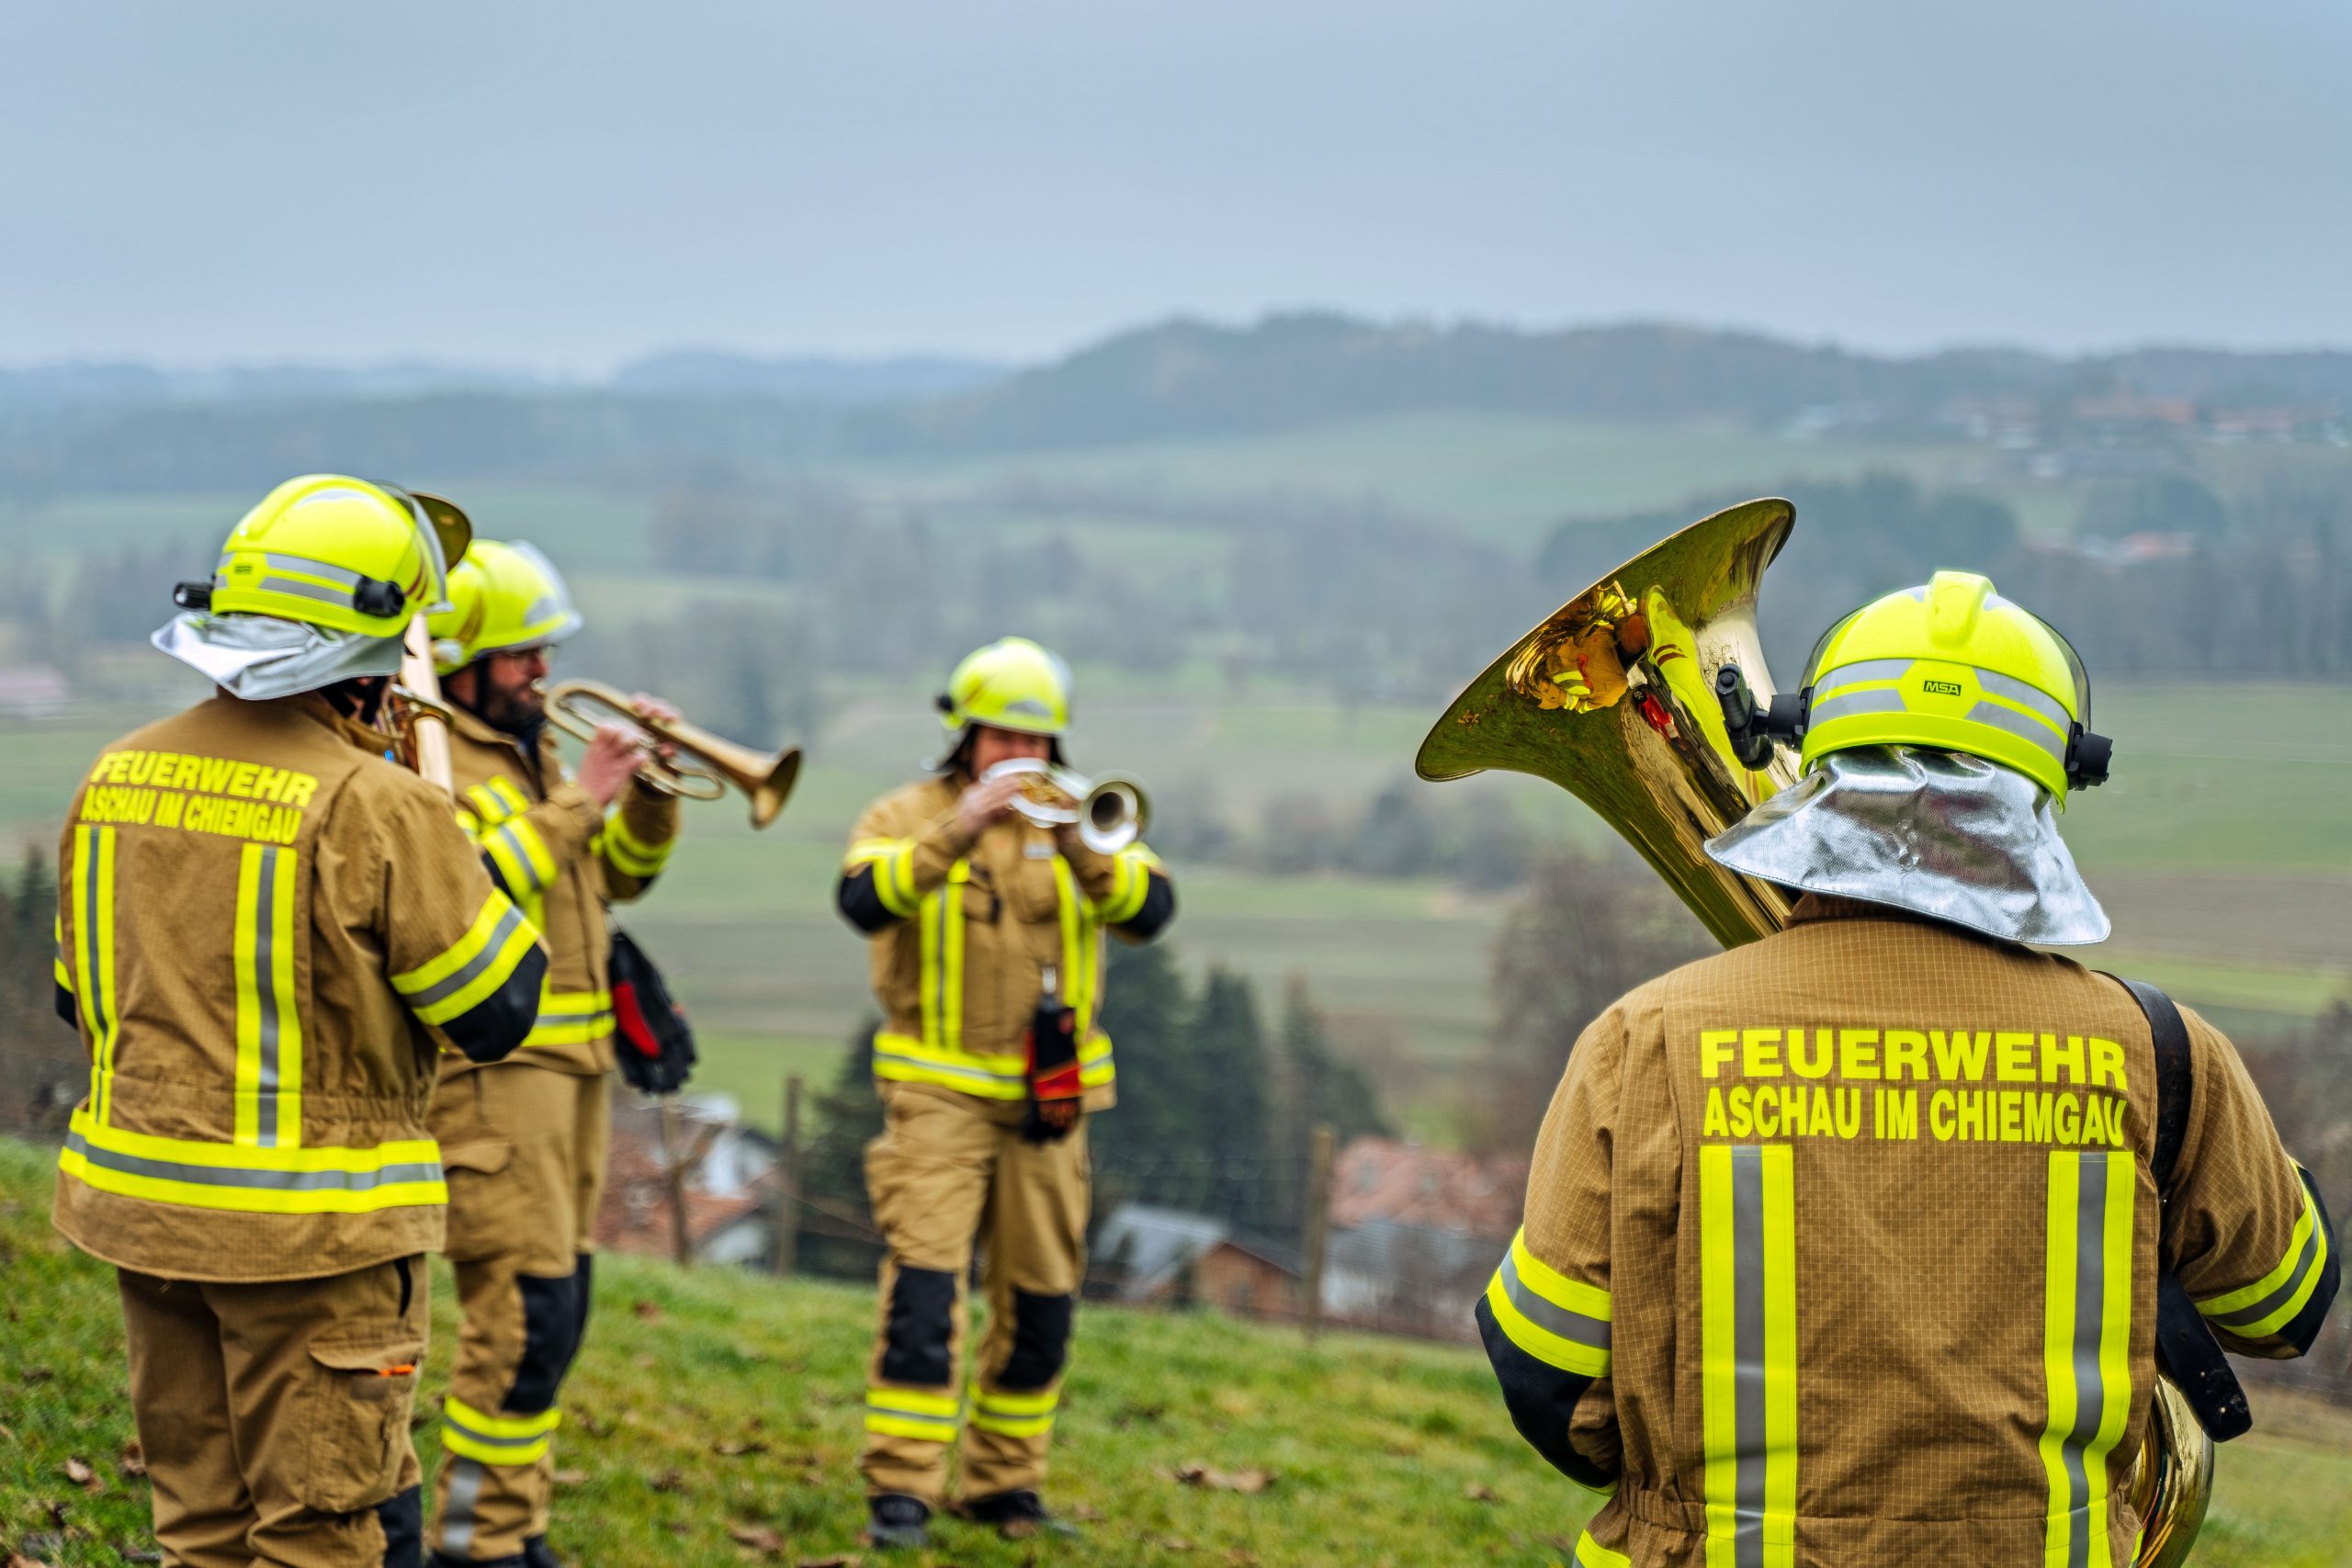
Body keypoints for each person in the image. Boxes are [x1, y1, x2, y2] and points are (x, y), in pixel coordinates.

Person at [1480, 572, 2339, 1567]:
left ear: (1807, 751)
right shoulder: (2160, 1053)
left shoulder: (1644, 1042)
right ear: (2060, 775)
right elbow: (2283, 1305)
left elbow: (1550, 1385)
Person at [51, 474, 547, 1568]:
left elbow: (79, 996)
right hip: (312, 1243)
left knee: (201, 1527)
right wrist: (446, 833)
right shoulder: (380, 804)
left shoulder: (116, 772)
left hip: (148, 1220)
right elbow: (498, 1009)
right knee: (319, 1536)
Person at [834, 637, 1176, 1550]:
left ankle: (1003, 1487)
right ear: (964, 738)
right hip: (936, 1100)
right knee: (923, 1300)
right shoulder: (902, 813)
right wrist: (957, 831)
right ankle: (901, 1491)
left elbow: (1151, 913)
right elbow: (862, 901)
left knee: (1041, 1304)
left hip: (1050, 1107)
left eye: (1034, 739)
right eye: (999, 738)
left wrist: (1078, 845)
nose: (1017, 755)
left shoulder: (1078, 821)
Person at [417, 540, 683, 1568]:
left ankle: (512, 1532)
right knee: (517, 1319)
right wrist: (582, 798)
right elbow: (466, 893)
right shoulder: (436, 765)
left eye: (545, 653)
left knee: (556, 1316)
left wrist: (647, 792)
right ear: (464, 662)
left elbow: (620, 877)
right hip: (494, 1084)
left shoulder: (532, 758)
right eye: (524, 655)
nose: (542, 673)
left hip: (573, 1072)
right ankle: (471, 1541)